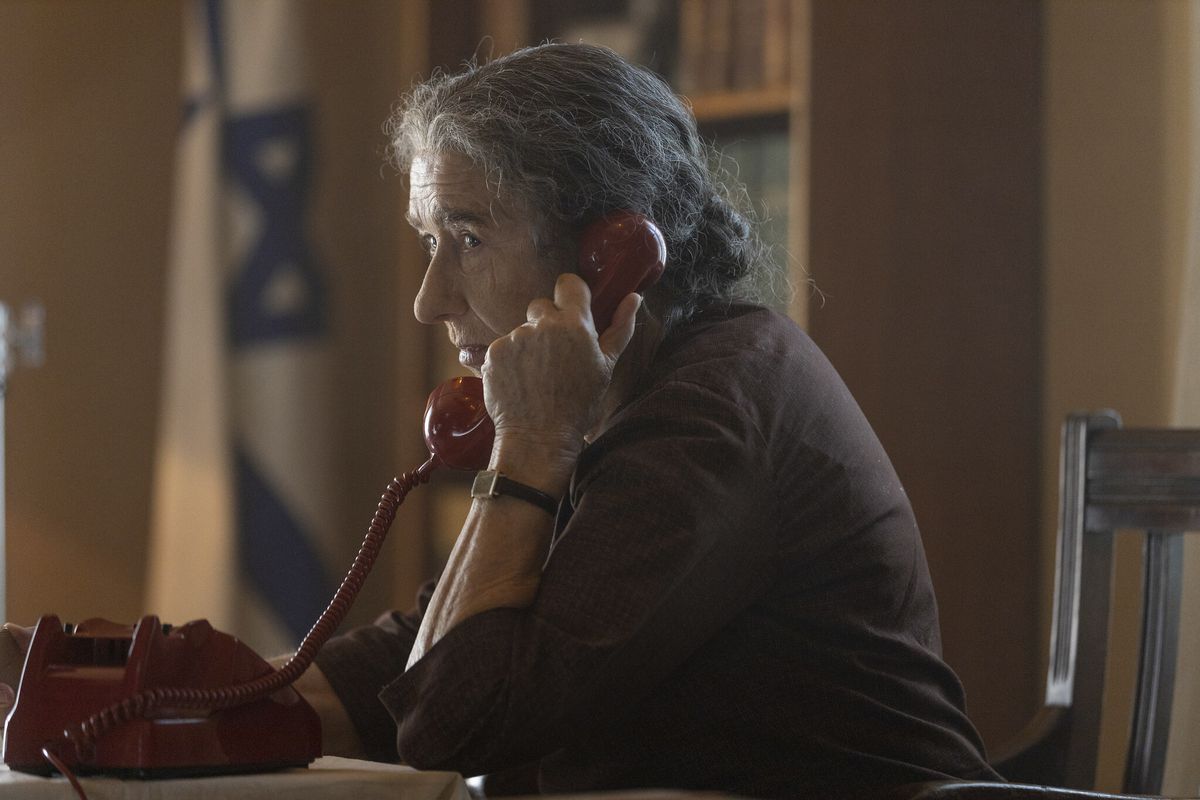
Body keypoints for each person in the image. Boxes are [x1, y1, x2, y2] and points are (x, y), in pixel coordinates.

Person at [1, 42, 1000, 799]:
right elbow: (425, 660)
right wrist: (142, 687)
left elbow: (456, 718)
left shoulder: (714, 409)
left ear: (609, 253)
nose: (431, 300)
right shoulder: (633, 389)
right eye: (429, 240)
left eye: (466, 237)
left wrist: (527, 443)